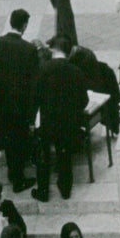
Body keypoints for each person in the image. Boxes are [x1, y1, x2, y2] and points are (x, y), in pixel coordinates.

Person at [0, 8, 38, 193]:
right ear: (24, 25)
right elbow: (33, 83)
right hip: (20, 106)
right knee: (19, 141)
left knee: (6, 138)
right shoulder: (29, 49)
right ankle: (17, 179)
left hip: (0, 103)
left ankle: (11, 172)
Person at [31, 35, 88, 203]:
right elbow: (83, 100)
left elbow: (35, 97)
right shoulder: (76, 71)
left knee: (44, 156)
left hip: (47, 120)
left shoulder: (43, 69)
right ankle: (65, 189)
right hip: (68, 122)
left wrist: (33, 119)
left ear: (53, 50)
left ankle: (43, 191)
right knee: (64, 155)